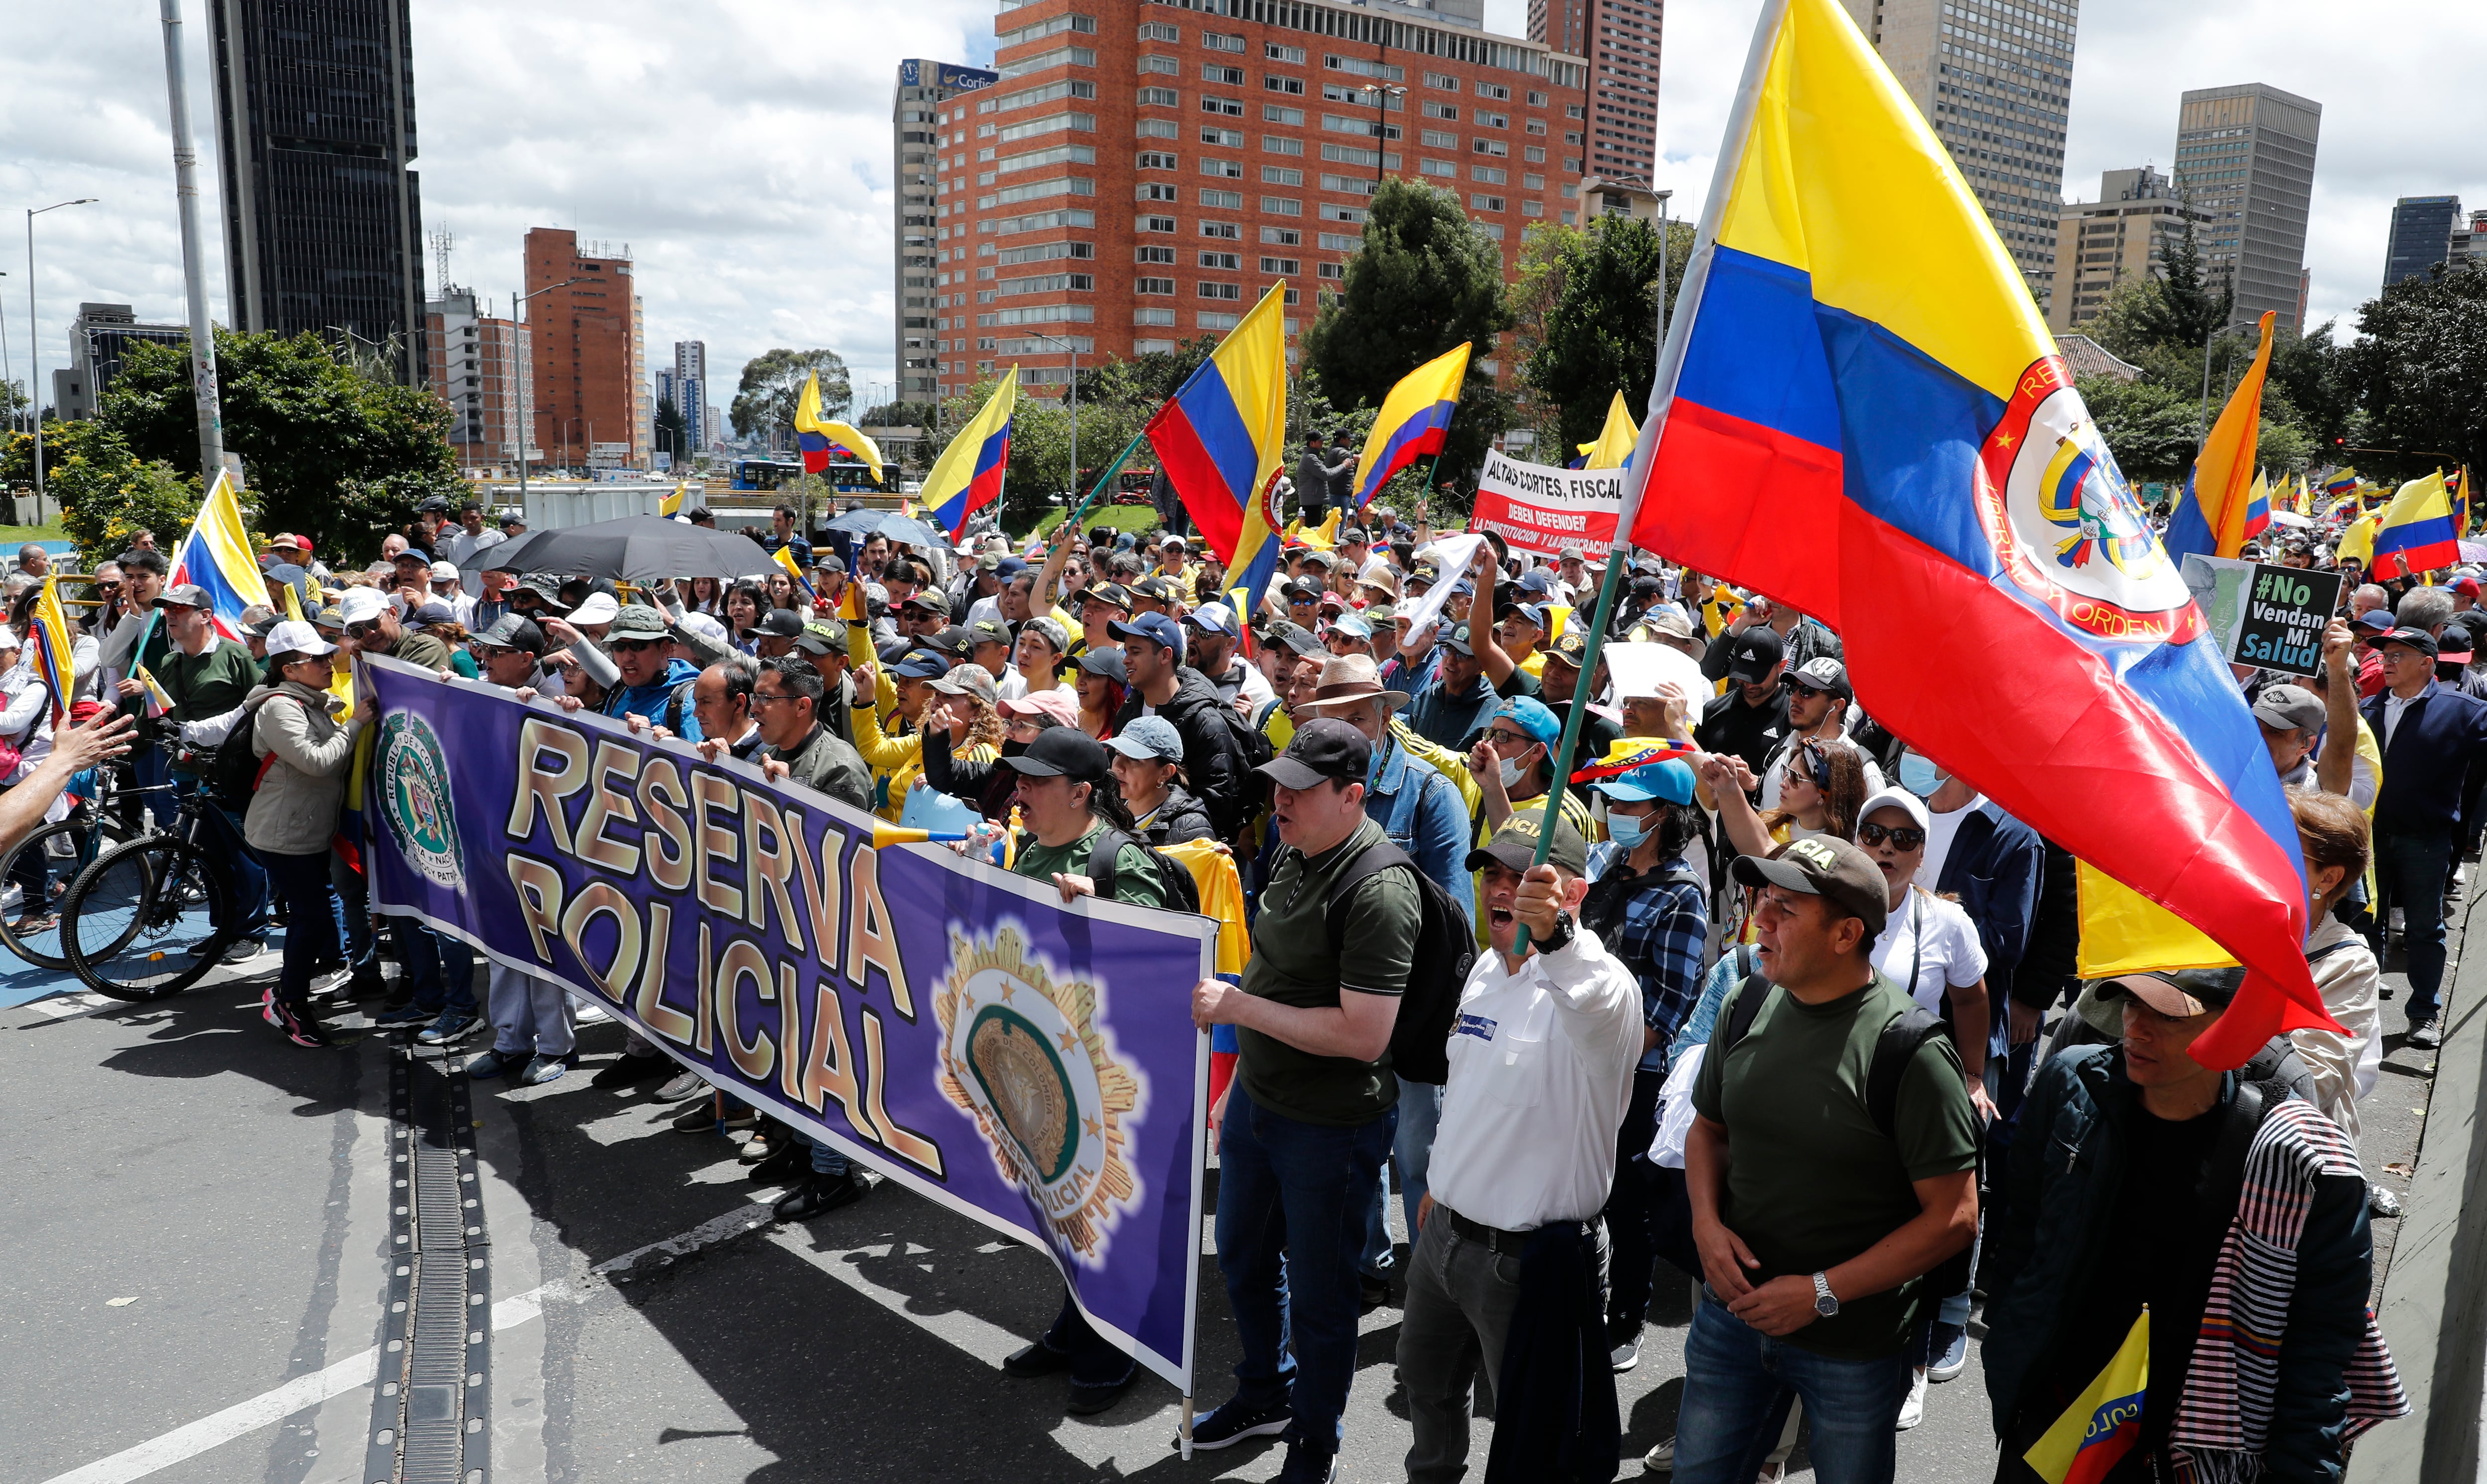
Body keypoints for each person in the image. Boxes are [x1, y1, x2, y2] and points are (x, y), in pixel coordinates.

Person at [1981, 966, 2408, 1481]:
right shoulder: (2072, 1081)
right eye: (2130, 1003)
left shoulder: (2299, 1158)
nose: (2135, 1028)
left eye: (2167, 1015)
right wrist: (2010, 1354)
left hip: (2192, 1445)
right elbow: (2022, 1232)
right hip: (2053, 1417)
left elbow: (2319, 1342)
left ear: (2235, 1026)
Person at [1672, 836, 1979, 1484]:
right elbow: (1707, 1131)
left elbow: (1954, 1218)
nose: (1761, 919)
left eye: (1785, 909)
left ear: (1845, 934)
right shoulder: (1745, 1003)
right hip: (1732, 1321)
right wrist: (1705, 1223)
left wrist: (1820, 1292)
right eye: (1763, 899)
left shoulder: (1911, 1050)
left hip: (1853, 1346)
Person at [1187, 720, 1416, 1482]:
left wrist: (1238, 1012)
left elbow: (1363, 1035)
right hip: (1261, 1102)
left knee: (1323, 1299)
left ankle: (1315, 1444)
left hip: (1330, 1128)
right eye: (1277, 785)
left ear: (1352, 796)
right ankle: (1266, 1392)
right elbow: (1271, 968)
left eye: (1299, 789)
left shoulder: (1379, 892)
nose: (1279, 801)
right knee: (1243, 1257)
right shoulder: (1293, 850)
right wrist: (1237, 1085)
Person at [1399, 815, 1640, 1484]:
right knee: (1425, 1384)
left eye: (1525, 878)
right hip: (1444, 1236)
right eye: (1493, 874)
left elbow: (1591, 997)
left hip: (1528, 1264)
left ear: (1575, 895)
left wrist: (1556, 938)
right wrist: (1440, 1182)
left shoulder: (1604, 988)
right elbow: (1467, 1089)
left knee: (1538, 1441)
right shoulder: (1485, 967)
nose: (1500, 889)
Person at [992, 727, 1173, 1410]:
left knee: (1101, 1217)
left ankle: (1113, 1347)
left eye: (1036, 782)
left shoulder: (1117, 857)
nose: (1020, 791)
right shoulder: (1032, 848)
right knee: (1057, 1207)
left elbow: (1161, 955)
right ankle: (1074, 1326)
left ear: (1079, 793)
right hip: (1042, 1061)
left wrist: (1102, 906)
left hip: (1106, 1078)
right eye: (1020, 779)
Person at [1850, 786, 1997, 1418]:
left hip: (1912, 1100)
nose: (1886, 847)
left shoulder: (1946, 922)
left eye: (1903, 838)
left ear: (1921, 853)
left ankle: (1911, 1364)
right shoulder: (1826, 905)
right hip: (1839, 1097)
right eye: (1874, 834)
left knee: (1921, 1236)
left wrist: (1971, 1075)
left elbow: (1969, 997)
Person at [1579, 754, 1711, 1373]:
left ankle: (1626, 1316)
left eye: (1629, 804)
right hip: (1576, 1057)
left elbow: (1669, 1001)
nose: (1616, 813)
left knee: (1625, 1203)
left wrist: (1610, 1062)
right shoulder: (1601, 863)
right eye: (1614, 802)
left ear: (1664, 815)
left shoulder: (1683, 896)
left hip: (1631, 1069)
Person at [2359, 624, 2487, 1049]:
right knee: (2367, 921)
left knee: (2424, 928)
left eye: (2398, 656)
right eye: (2385, 655)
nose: (2387, 662)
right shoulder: (2369, 708)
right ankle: (2361, 1005)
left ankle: (2424, 1014)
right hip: (2371, 837)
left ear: (2427, 664)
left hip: (2426, 840)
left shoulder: (2462, 710)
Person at [241, 621, 367, 1047]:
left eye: (329, 656)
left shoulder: (309, 702)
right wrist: (354, 725)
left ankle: (288, 993)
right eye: (318, 659)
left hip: (307, 830)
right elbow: (317, 762)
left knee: (308, 916)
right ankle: (289, 1003)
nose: (329, 663)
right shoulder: (280, 708)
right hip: (283, 835)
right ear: (290, 670)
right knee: (312, 917)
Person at [143, 584, 273, 963]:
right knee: (207, 855)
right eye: (167, 609)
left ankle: (252, 931)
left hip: (232, 772)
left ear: (205, 616)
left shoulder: (236, 656)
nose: (171, 615)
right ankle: (223, 930)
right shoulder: (170, 662)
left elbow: (258, 710)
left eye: (180, 609)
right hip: (188, 771)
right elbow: (157, 716)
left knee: (243, 853)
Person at [2288, 789, 2384, 1147]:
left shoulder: (2348, 964)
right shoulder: (2220, 927)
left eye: (2282, 848)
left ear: (2327, 879)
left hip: (2289, 1149)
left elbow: (2316, 1080)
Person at [1109, 611, 1249, 837]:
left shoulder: (1205, 721)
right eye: (1126, 651)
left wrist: (1163, 840)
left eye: (1136, 652)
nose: (1126, 660)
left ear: (1165, 656)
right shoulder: (1128, 710)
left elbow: (1215, 803)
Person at [1757, 658, 1885, 810]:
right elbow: (1762, 819)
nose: (1794, 698)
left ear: (1837, 706)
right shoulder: (1778, 751)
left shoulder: (1863, 771)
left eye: (1807, 692)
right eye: (1793, 688)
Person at [754, 657, 872, 809]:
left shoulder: (842, 769)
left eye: (765, 698)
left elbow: (837, 825)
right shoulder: (768, 756)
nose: (754, 709)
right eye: (755, 697)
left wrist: (787, 792)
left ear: (802, 707)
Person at [1696, 627, 1790, 779]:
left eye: (1758, 676)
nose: (1749, 684)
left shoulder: (1796, 717)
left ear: (1781, 667)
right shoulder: (1713, 710)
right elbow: (1695, 764)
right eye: (1742, 674)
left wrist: (1756, 783)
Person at [1105, 715, 1213, 843]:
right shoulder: (1105, 812)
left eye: (1134, 759)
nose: (1118, 767)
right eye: (1118, 754)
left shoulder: (1190, 829)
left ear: (1166, 772)